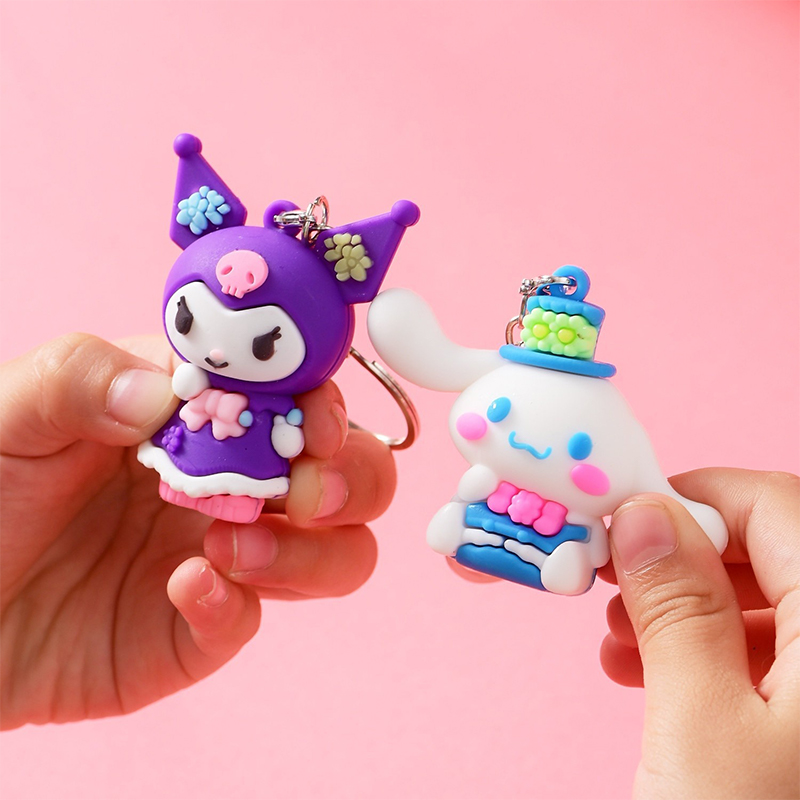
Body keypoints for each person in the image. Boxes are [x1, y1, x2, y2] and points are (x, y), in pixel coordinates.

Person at [1, 334, 798, 798]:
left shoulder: (605, 493)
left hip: (556, 546)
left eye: (581, 446)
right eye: (501, 415)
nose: (527, 443)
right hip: (193, 463)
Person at [0, 333, 395, 729]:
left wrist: (292, 434)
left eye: (262, 344)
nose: (220, 352)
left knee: (289, 490)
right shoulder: (194, 378)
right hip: (184, 449)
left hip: (247, 465)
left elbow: (290, 437)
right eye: (188, 320)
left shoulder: (276, 403)